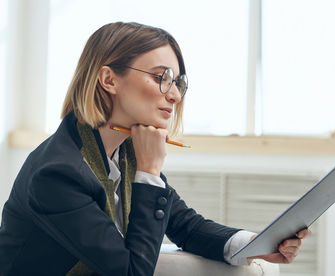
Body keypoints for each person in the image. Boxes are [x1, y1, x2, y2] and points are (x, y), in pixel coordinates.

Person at [0, 22, 311, 276]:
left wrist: (253, 243)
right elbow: (132, 273)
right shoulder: (57, 173)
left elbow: (183, 225)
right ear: (109, 79)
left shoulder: (125, 151)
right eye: (161, 77)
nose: (175, 95)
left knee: (243, 270)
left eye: (178, 82)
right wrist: (149, 173)